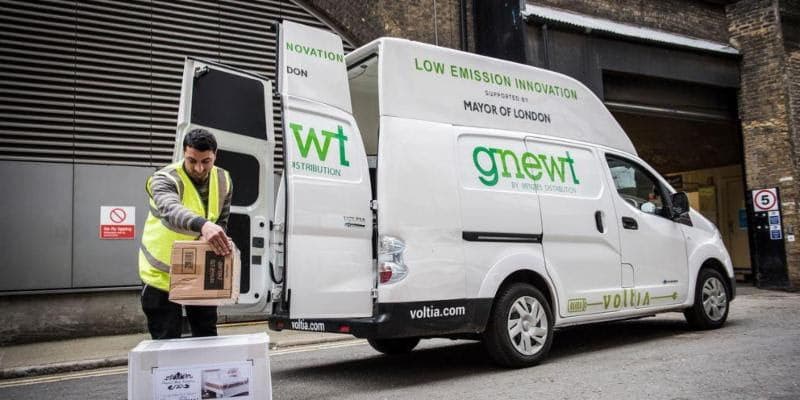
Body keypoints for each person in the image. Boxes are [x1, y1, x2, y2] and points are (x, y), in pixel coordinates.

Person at [138, 128, 233, 339]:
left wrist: (214, 233)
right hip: (161, 277)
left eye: (206, 161)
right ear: (184, 154)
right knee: (167, 343)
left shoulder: (224, 180)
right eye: (192, 161)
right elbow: (171, 209)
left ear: (215, 155)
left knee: (206, 338)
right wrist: (203, 226)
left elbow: (222, 221)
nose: (199, 168)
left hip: (198, 274)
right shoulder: (164, 178)